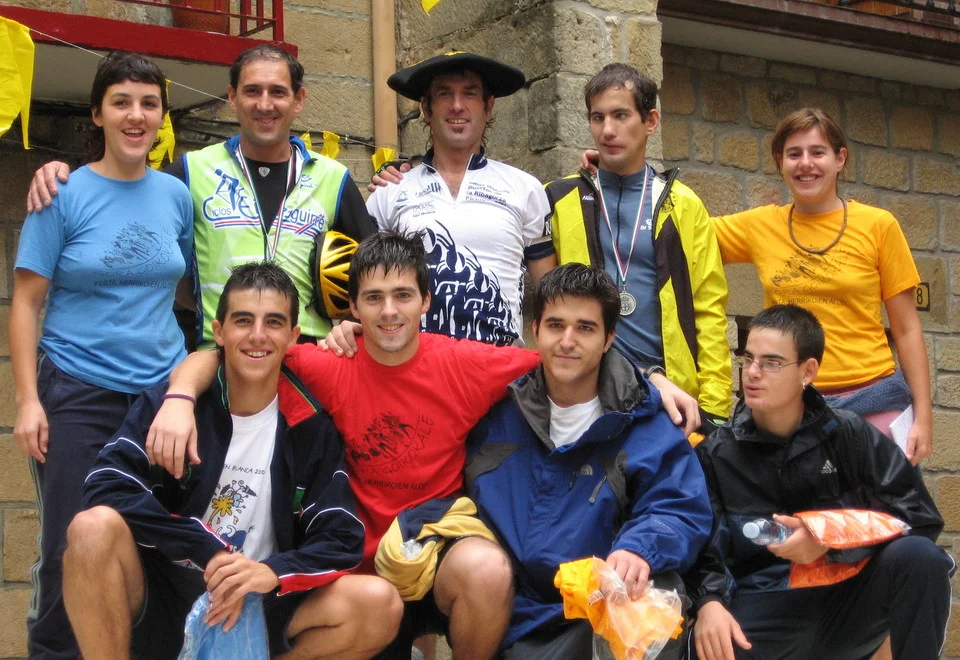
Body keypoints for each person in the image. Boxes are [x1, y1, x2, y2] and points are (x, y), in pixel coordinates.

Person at [145, 231, 545, 660]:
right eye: (373, 298)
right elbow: (228, 351)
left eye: (403, 295)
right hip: (358, 581)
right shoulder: (328, 364)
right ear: (352, 307)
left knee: (487, 570)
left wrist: (641, 388)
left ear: (426, 301)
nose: (389, 311)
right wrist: (180, 396)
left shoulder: (463, 363)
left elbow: (564, 358)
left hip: (434, 564)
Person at [61, 262, 401, 660]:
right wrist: (205, 550)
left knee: (381, 604)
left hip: (254, 608)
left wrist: (272, 572)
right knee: (91, 528)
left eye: (273, 322)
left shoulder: (310, 426)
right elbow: (105, 485)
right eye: (243, 320)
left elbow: (341, 538)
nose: (257, 335)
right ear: (219, 332)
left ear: (293, 336)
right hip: (164, 603)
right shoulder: (173, 405)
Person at [710, 107, 930, 660]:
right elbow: (681, 226)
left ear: (840, 159)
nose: (805, 164)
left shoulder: (879, 226)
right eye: (793, 153)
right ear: (779, 163)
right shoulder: (759, 225)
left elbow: (906, 328)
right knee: (799, 542)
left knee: (876, 543)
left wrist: (924, 414)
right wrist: (607, 177)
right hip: (795, 416)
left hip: (873, 405)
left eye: (817, 152)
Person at [10, 52, 194, 660]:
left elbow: (185, 293)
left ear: (161, 116)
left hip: (156, 398)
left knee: (147, 540)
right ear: (98, 113)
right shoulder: (61, 194)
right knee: (68, 539)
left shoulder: (176, 196)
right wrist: (28, 400)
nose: (136, 116)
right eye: (121, 102)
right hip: (77, 390)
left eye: (149, 103)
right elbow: (26, 302)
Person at [466, 264, 712, 660]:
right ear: (534, 329)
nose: (568, 340)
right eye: (556, 325)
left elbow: (680, 508)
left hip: (622, 597)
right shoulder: (495, 414)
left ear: (609, 338)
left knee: (647, 604)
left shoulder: (645, 421)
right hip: (541, 618)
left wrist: (639, 548)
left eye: (585, 328)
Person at [685, 304, 953, 660]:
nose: (752, 372)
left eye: (771, 362)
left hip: (849, 604)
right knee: (701, 646)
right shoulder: (715, 454)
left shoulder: (849, 434)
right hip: (769, 611)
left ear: (807, 371)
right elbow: (701, 549)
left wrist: (827, 541)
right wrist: (709, 603)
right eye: (747, 358)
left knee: (921, 558)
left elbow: (918, 517)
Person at [26, 44, 375, 346]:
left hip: (309, 357)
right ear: (232, 96)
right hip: (219, 360)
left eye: (278, 92)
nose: (264, 104)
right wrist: (63, 175)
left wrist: (351, 322)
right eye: (252, 91)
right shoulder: (191, 171)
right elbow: (125, 191)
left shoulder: (334, 178)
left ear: (298, 100)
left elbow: (378, 273)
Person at [550, 63, 732, 431]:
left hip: (672, 398)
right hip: (587, 390)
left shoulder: (684, 205)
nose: (608, 130)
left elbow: (709, 308)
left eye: (621, 115)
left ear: (650, 121)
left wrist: (714, 407)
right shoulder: (559, 198)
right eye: (598, 117)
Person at [365, 51, 556, 347]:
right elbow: (367, 290)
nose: (457, 105)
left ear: (488, 107)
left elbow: (551, 295)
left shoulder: (526, 189)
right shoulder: (389, 192)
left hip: (501, 365)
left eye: (469, 93)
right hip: (415, 364)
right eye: (444, 94)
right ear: (426, 108)